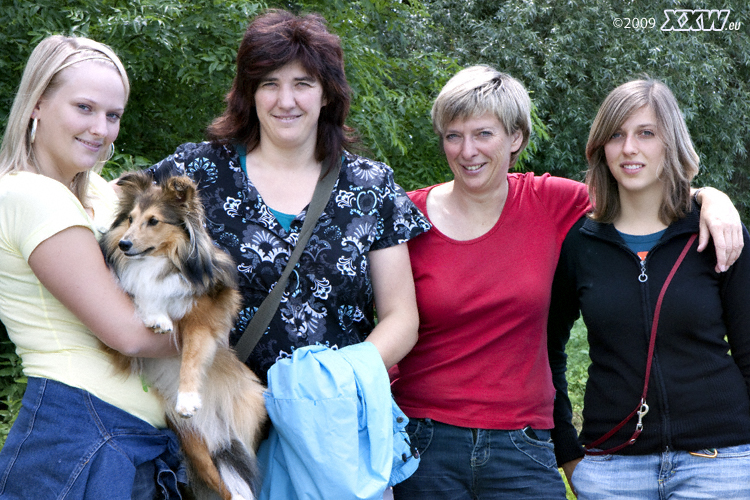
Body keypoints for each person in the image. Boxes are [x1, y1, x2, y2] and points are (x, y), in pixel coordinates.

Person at [389, 65, 744, 499]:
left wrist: (711, 198)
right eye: (453, 135)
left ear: (516, 138)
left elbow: (641, 191)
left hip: (528, 447)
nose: (467, 151)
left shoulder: (553, 201)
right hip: (428, 440)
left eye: (483, 133)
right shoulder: (404, 219)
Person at [145, 9, 428, 497]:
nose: (286, 100)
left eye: (303, 83)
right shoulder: (194, 173)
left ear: (327, 93)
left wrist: (333, 382)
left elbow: (401, 318)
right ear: (248, 93)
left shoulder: (370, 185)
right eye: (269, 83)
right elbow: (125, 243)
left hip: (331, 434)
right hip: (221, 427)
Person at [548, 78, 750, 499]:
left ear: (670, 142)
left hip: (721, 464)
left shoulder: (718, 231)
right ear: (600, 147)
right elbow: (546, 349)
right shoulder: (581, 243)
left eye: (646, 133)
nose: (629, 148)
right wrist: (567, 450)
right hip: (612, 469)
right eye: (616, 135)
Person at [0, 36, 182, 499]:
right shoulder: (29, 194)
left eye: (113, 114)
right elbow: (127, 332)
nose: (100, 129)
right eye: (84, 107)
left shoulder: (100, 193)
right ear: (38, 102)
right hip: (78, 431)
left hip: (127, 439)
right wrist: (216, 330)